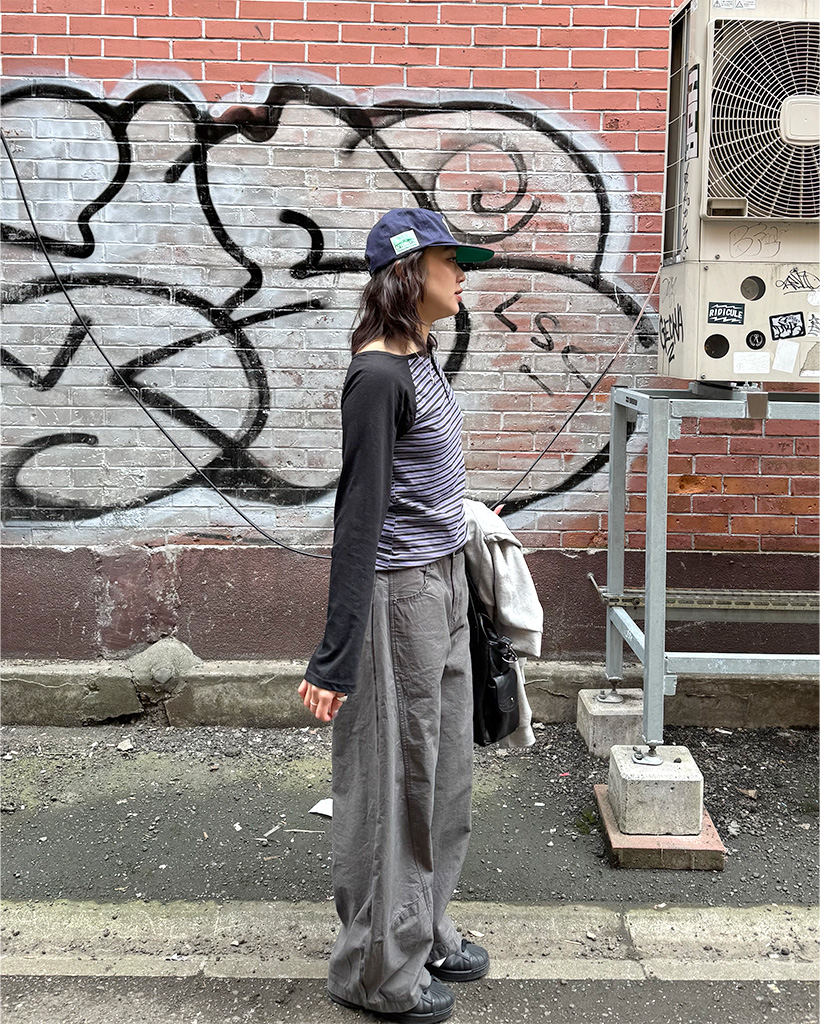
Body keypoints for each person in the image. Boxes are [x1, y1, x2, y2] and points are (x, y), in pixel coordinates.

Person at [297, 207, 494, 1024]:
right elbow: (359, 516)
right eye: (452, 262)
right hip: (397, 597)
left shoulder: (423, 356)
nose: (463, 275)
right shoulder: (378, 377)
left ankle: (423, 931)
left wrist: (464, 533)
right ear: (410, 276)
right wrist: (335, 655)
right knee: (393, 785)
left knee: (443, 776)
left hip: (443, 582)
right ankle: (376, 973)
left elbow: (422, 482)